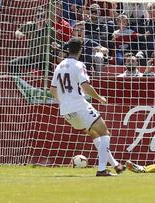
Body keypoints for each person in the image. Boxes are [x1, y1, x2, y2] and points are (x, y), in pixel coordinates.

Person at [49, 37, 125, 176]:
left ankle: (115, 165)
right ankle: (102, 170)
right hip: (79, 106)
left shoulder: (59, 66)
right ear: (81, 50)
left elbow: (52, 90)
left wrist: (65, 100)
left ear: (68, 50)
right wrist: (100, 98)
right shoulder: (79, 65)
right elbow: (85, 86)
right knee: (105, 133)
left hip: (66, 111)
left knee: (95, 133)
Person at [9, 8, 56, 74]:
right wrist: (18, 33)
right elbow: (17, 31)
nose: (40, 19)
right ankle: (20, 81)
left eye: (42, 16)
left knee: (49, 75)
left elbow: (59, 43)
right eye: (38, 16)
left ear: (45, 18)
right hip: (31, 58)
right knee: (12, 63)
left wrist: (56, 45)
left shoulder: (50, 30)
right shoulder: (30, 26)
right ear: (35, 18)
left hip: (44, 60)